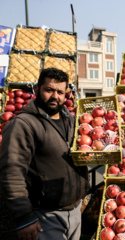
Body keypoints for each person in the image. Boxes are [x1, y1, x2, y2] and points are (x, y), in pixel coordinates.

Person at [0, 68, 89, 240]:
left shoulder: (72, 122)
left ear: (65, 95)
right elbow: (12, 173)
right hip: (45, 216)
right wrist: (24, 218)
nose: (55, 96)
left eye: (60, 92)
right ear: (36, 90)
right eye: (49, 90)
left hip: (75, 211)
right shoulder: (23, 125)